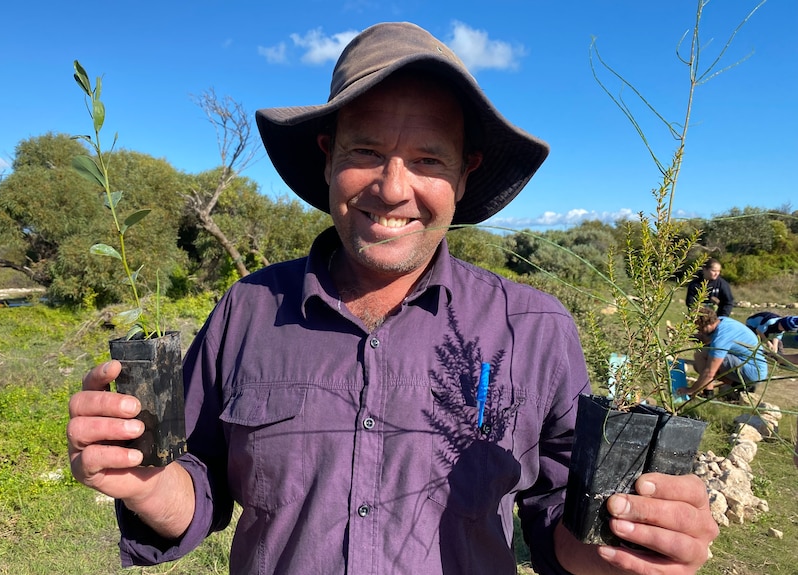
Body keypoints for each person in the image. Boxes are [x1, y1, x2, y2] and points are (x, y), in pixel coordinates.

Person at [68, 22, 717, 574]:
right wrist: (148, 483)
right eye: (367, 150)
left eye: (429, 160)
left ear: (465, 173)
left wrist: (629, 540)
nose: (393, 186)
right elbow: (199, 484)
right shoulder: (247, 310)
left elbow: (557, 520)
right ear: (327, 158)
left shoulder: (534, 327)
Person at [678, 307, 768, 398]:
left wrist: (691, 390)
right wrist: (683, 336)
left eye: (699, 329)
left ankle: (708, 392)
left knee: (701, 356)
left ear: (707, 325)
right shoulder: (722, 321)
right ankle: (739, 386)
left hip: (753, 370)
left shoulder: (721, 338)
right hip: (756, 369)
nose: (699, 332)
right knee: (698, 365)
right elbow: (705, 338)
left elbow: (710, 372)